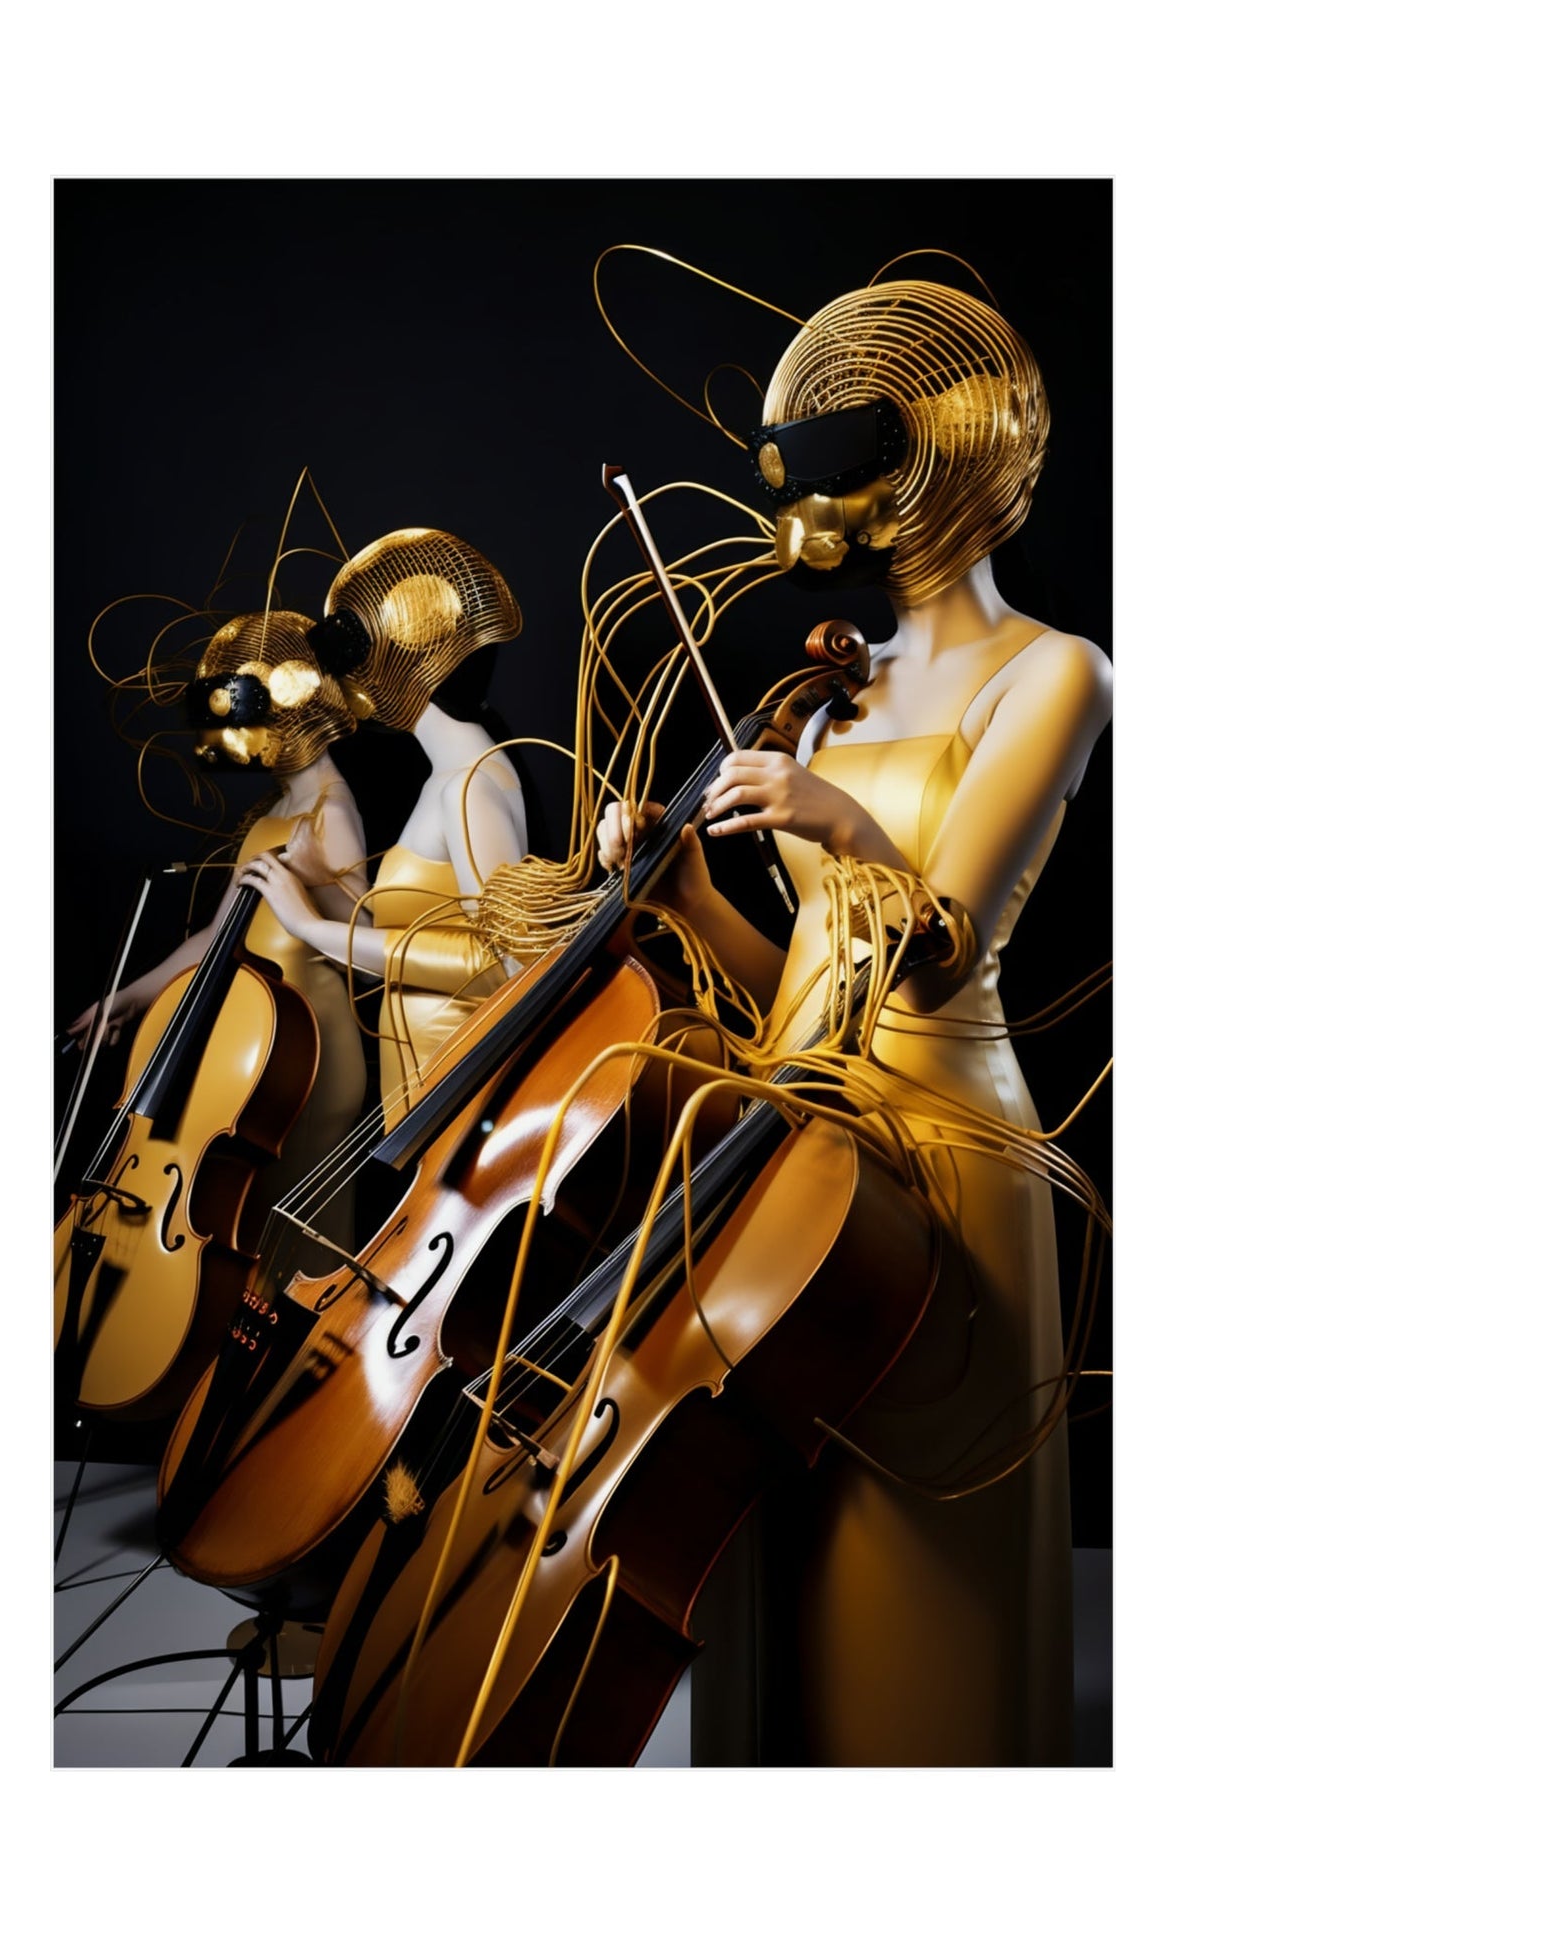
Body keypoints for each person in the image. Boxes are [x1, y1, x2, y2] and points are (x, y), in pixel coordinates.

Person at [597, 271, 1111, 1764]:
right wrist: (689, 896)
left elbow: (939, 959)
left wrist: (836, 817)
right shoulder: (831, 698)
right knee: (784, 1484)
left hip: (945, 1142)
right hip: (794, 1126)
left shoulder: (1055, 674)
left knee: (915, 1517)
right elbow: (804, 986)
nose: (810, 504)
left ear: (935, 457)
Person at [67, 606, 372, 1257]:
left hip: (308, 1059)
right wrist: (129, 999)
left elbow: (368, 948)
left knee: (284, 1247)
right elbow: (218, 935)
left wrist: (309, 907)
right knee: (245, 1230)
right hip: (260, 1053)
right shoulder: (277, 808)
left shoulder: (332, 813)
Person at [238, 528, 531, 1129]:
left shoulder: (468, 782)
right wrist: (327, 888)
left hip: (454, 1080)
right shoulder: (450, 776)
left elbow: (501, 966)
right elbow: (417, 940)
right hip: (418, 1083)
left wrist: (310, 926)